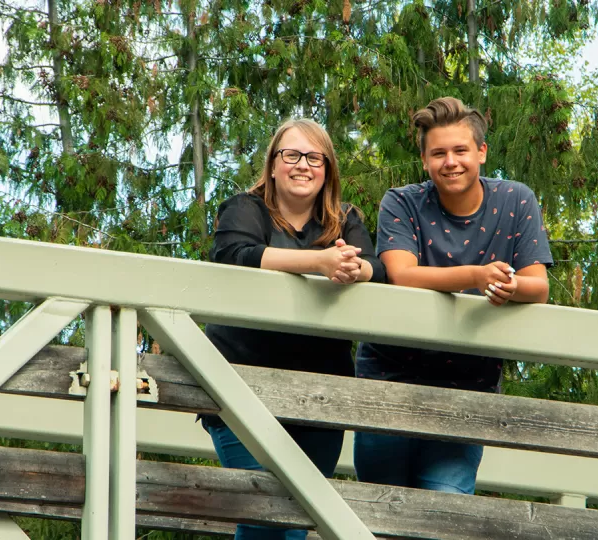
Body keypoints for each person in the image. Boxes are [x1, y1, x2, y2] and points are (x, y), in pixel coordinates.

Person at [354, 97, 553, 496]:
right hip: (390, 378)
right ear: (425, 160)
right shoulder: (402, 201)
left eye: (460, 150)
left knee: (446, 510)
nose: (451, 162)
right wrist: (478, 276)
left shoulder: (516, 200)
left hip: (468, 386)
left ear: (481, 152)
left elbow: (538, 286)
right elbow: (402, 275)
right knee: (381, 511)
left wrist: (510, 287)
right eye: (438, 153)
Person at [203, 118, 386, 539]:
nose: (303, 165)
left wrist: (353, 268)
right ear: (272, 165)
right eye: (291, 155)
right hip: (240, 388)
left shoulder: (346, 220)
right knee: (262, 513)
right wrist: (319, 264)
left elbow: (378, 269)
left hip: (321, 397)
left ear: (327, 170)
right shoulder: (244, 208)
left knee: (298, 525)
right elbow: (234, 254)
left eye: (314, 157)